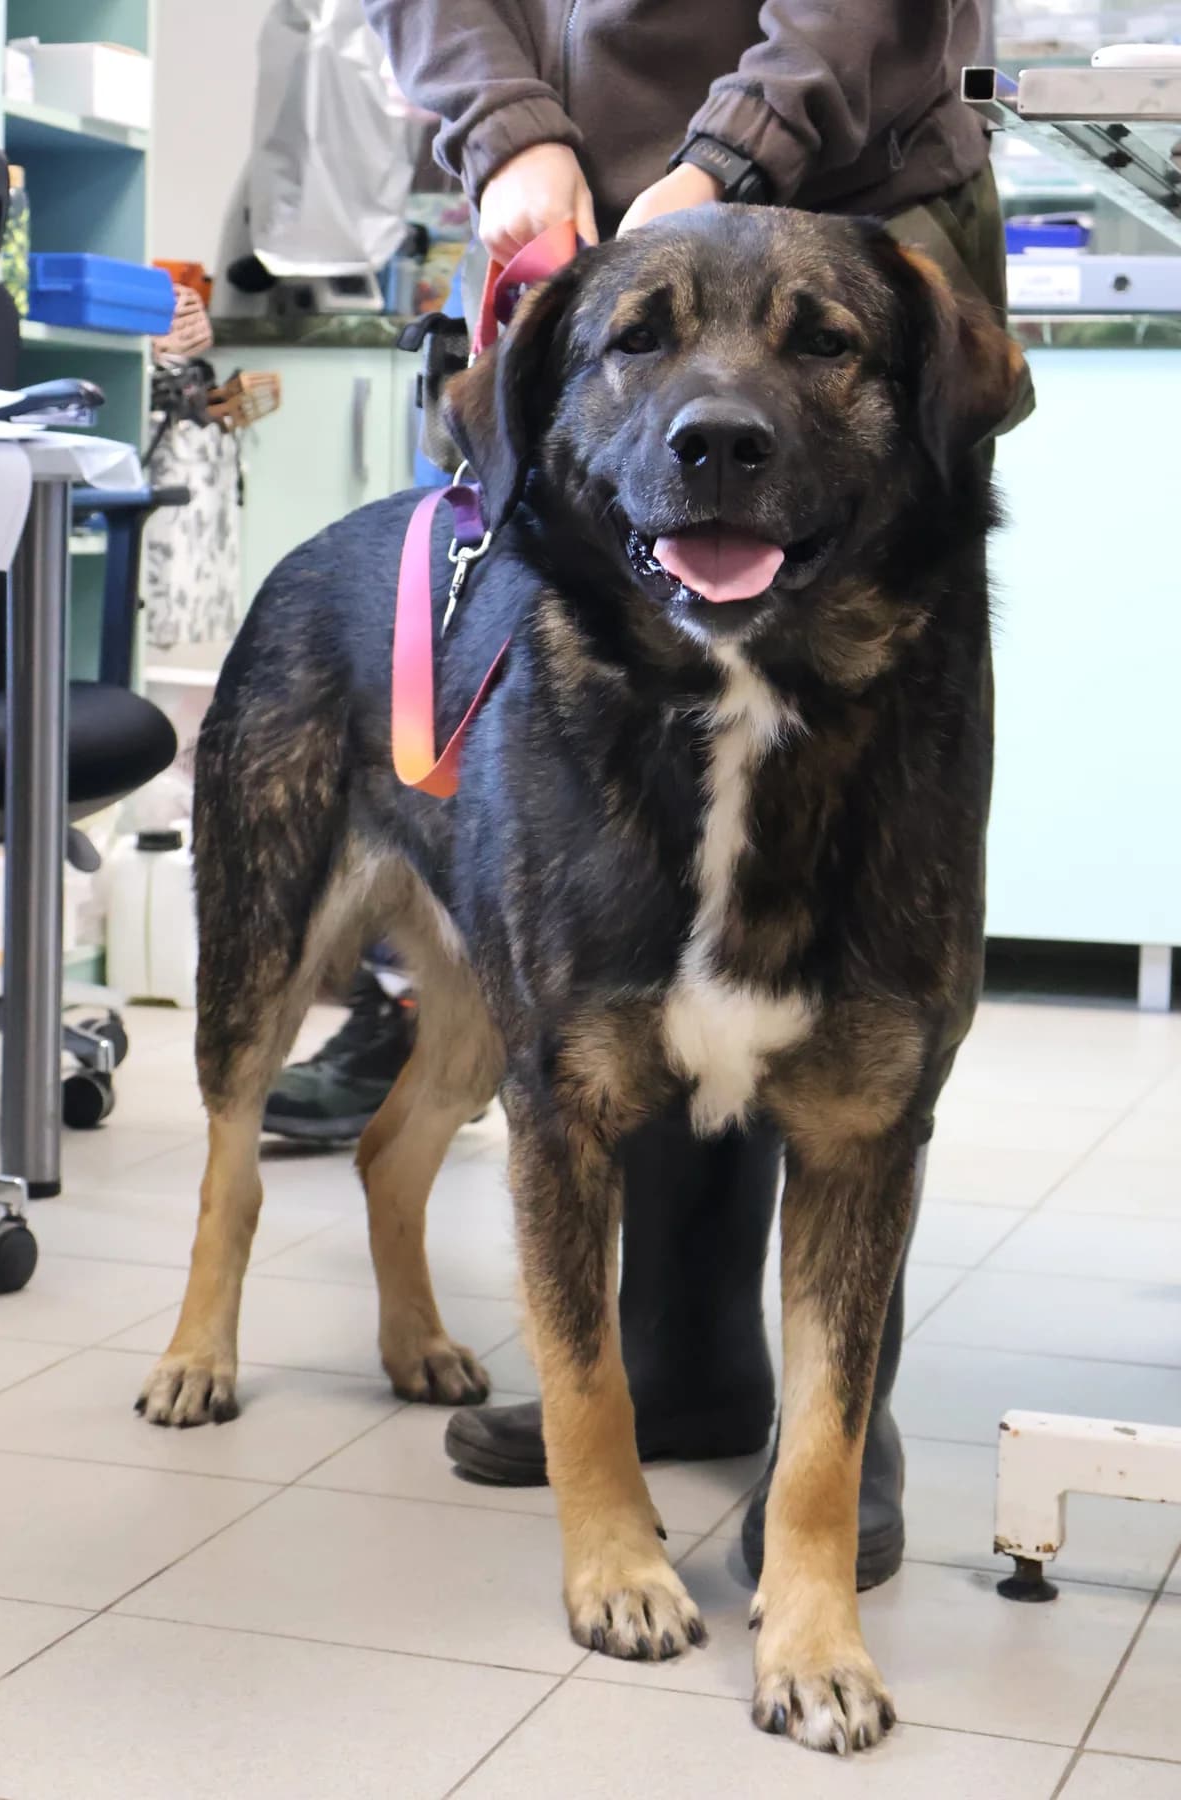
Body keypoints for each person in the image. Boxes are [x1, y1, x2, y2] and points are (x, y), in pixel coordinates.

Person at [275, 0, 1024, 1589]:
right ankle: (676, 1363)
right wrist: (506, 128)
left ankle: (837, 1433)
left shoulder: (879, 328)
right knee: (618, 939)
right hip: (594, 233)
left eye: (809, 360)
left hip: (862, 184)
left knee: (867, 950)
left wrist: (729, 157)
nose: (727, 406)